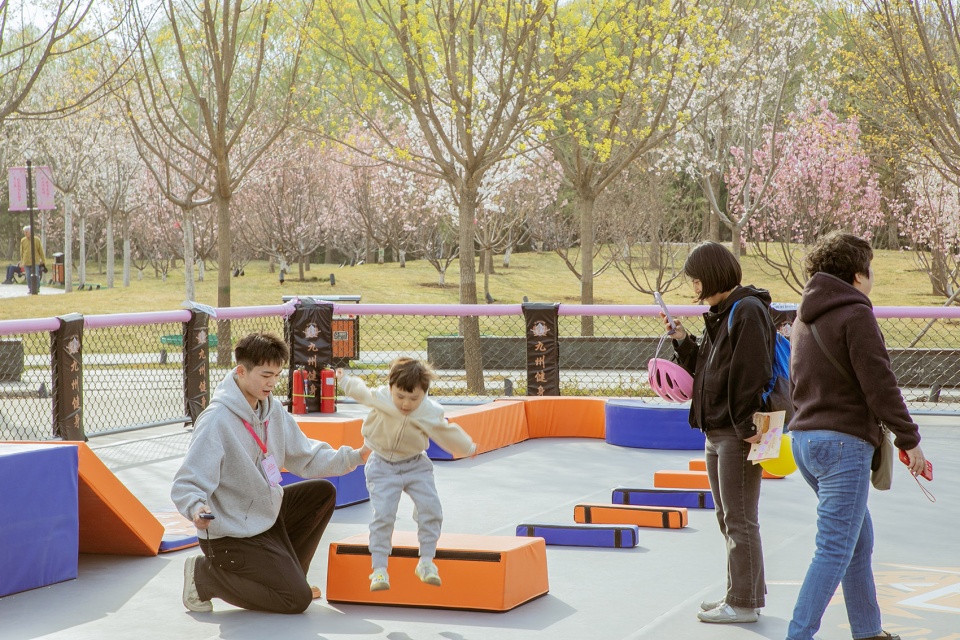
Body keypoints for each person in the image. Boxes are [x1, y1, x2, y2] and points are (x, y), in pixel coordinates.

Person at [786, 232, 925, 640]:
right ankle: (798, 635)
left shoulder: (803, 317)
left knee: (856, 544)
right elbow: (879, 384)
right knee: (834, 549)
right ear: (857, 274)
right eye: (872, 269)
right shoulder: (855, 313)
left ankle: (868, 631)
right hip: (842, 445)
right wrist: (909, 438)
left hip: (805, 443)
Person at [171, 332, 371, 614]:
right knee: (295, 600)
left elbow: (307, 455)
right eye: (266, 375)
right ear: (241, 371)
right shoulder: (216, 421)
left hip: (263, 517)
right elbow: (187, 481)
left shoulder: (272, 410)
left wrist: (357, 456)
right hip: (231, 534)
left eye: (277, 375)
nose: (272, 383)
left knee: (322, 492)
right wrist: (196, 507)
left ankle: (291, 576)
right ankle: (205, 576)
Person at [663, 241, 776, 624]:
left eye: (695, 280)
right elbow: (709, 369)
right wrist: (682, 340)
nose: (693, 288)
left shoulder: (746, 310)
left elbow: (751, 373)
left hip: (736, 432)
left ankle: (743, 603)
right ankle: (740, 594)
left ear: (710, 276)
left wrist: (746, 427)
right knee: (729, 516)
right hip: (718, 429)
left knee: (740, 517)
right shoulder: (722, 312)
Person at [336, 359, 476, 592]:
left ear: (424, 394)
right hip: (381, 464)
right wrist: (344, 380)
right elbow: (361, 393)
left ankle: (426, 562)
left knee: (431, 508)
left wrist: (468, 446)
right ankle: (379, 568)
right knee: (384, 514)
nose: (406, 404)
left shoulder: (430, 411)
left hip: (415, 464)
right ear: (390, 388)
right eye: (400, 396)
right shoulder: (381, 397)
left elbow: (446, 431)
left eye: (414, 399)